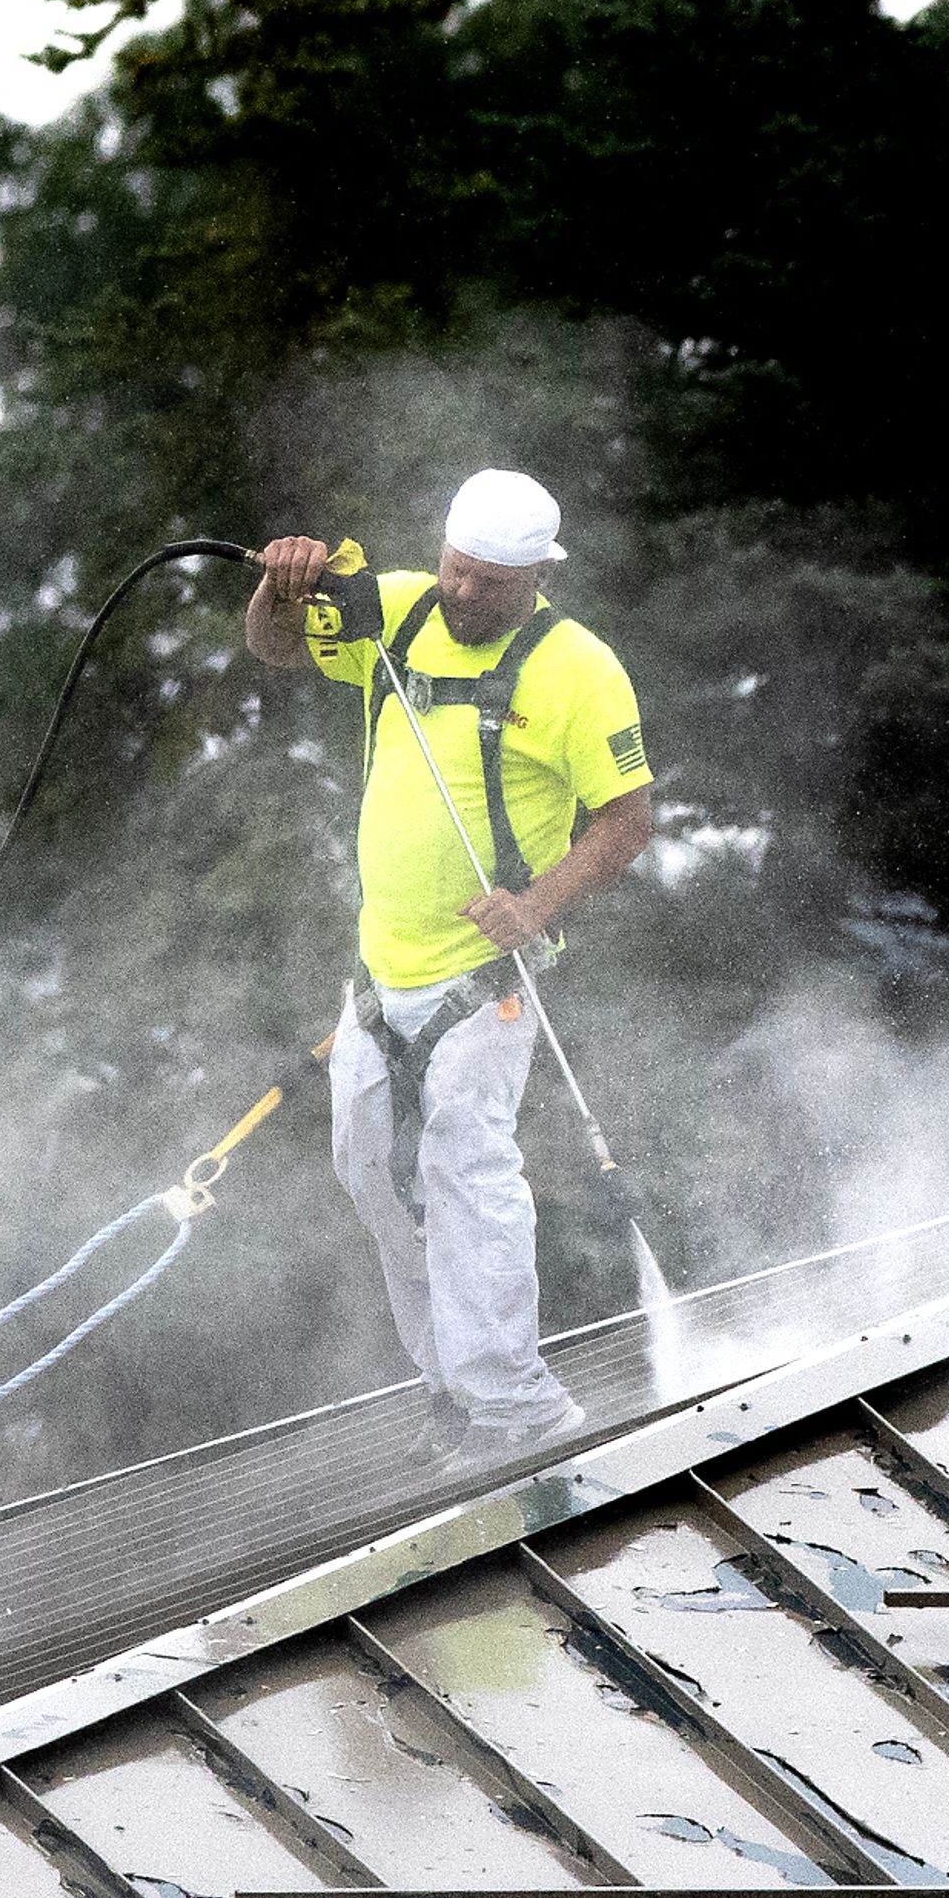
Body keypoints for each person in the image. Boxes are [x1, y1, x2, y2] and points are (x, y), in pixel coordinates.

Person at [245, 468, 655, 1462]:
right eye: (457, 572)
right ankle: (456, 1390)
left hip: (484, 981)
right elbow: (277, 649)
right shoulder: (393, 609)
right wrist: (278, 586)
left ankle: (518, 1402)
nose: (467, 596)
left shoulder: (580, 670)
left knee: (467, 1172)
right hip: (378, 971)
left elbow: (626, 822)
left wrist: (535, 908)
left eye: (493, 585)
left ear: (537, 577)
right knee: (367, 1171)